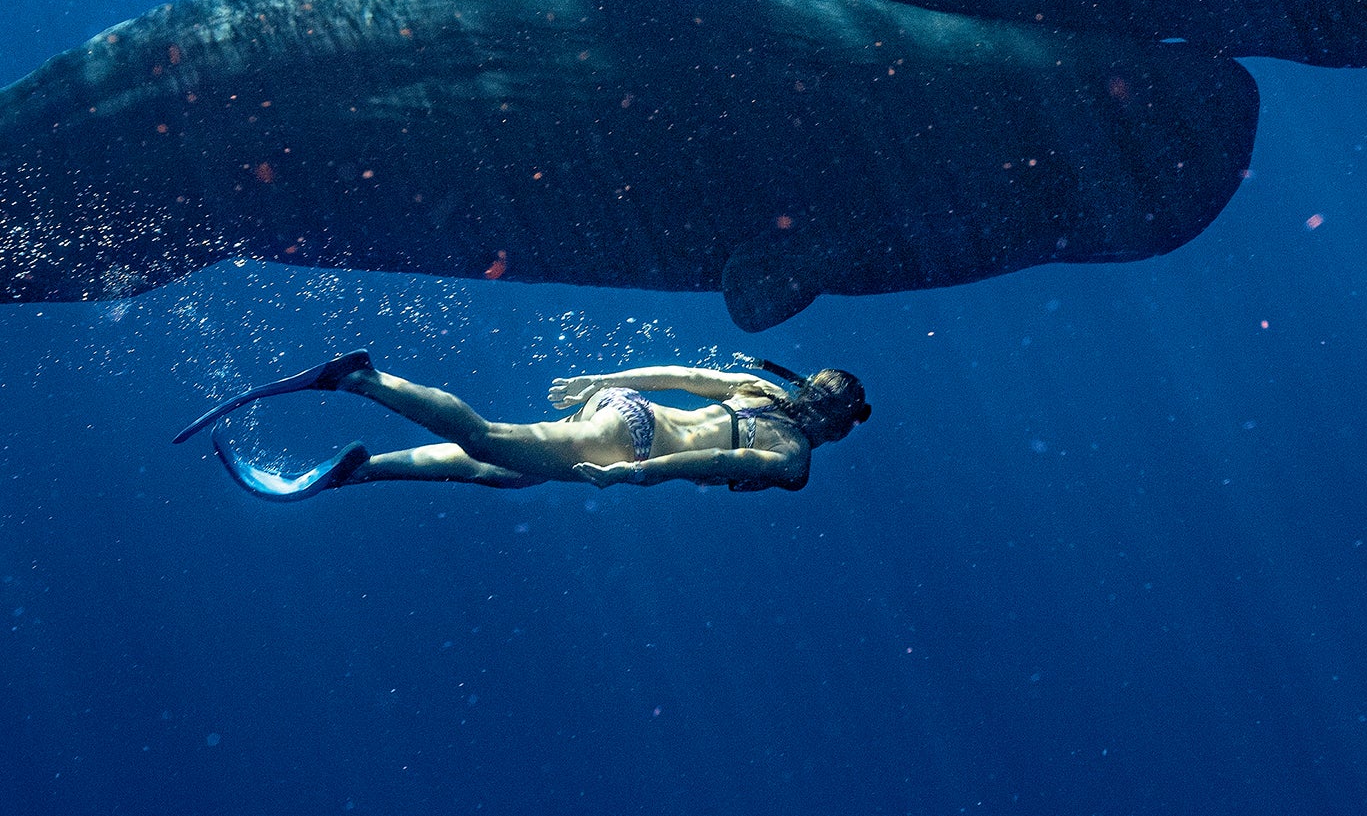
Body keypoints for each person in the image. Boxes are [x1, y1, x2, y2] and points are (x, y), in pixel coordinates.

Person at [173, 350, 870, 502]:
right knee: (489, 438)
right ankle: (361, 378)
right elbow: (700, 465)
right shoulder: (791, 454)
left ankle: (360, 470)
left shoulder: (757, 385)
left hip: (626, 410)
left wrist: (599, 383)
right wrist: (633, 471)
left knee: (505, 471)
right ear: (832, 422)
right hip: (631, 443)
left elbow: (680, 377)